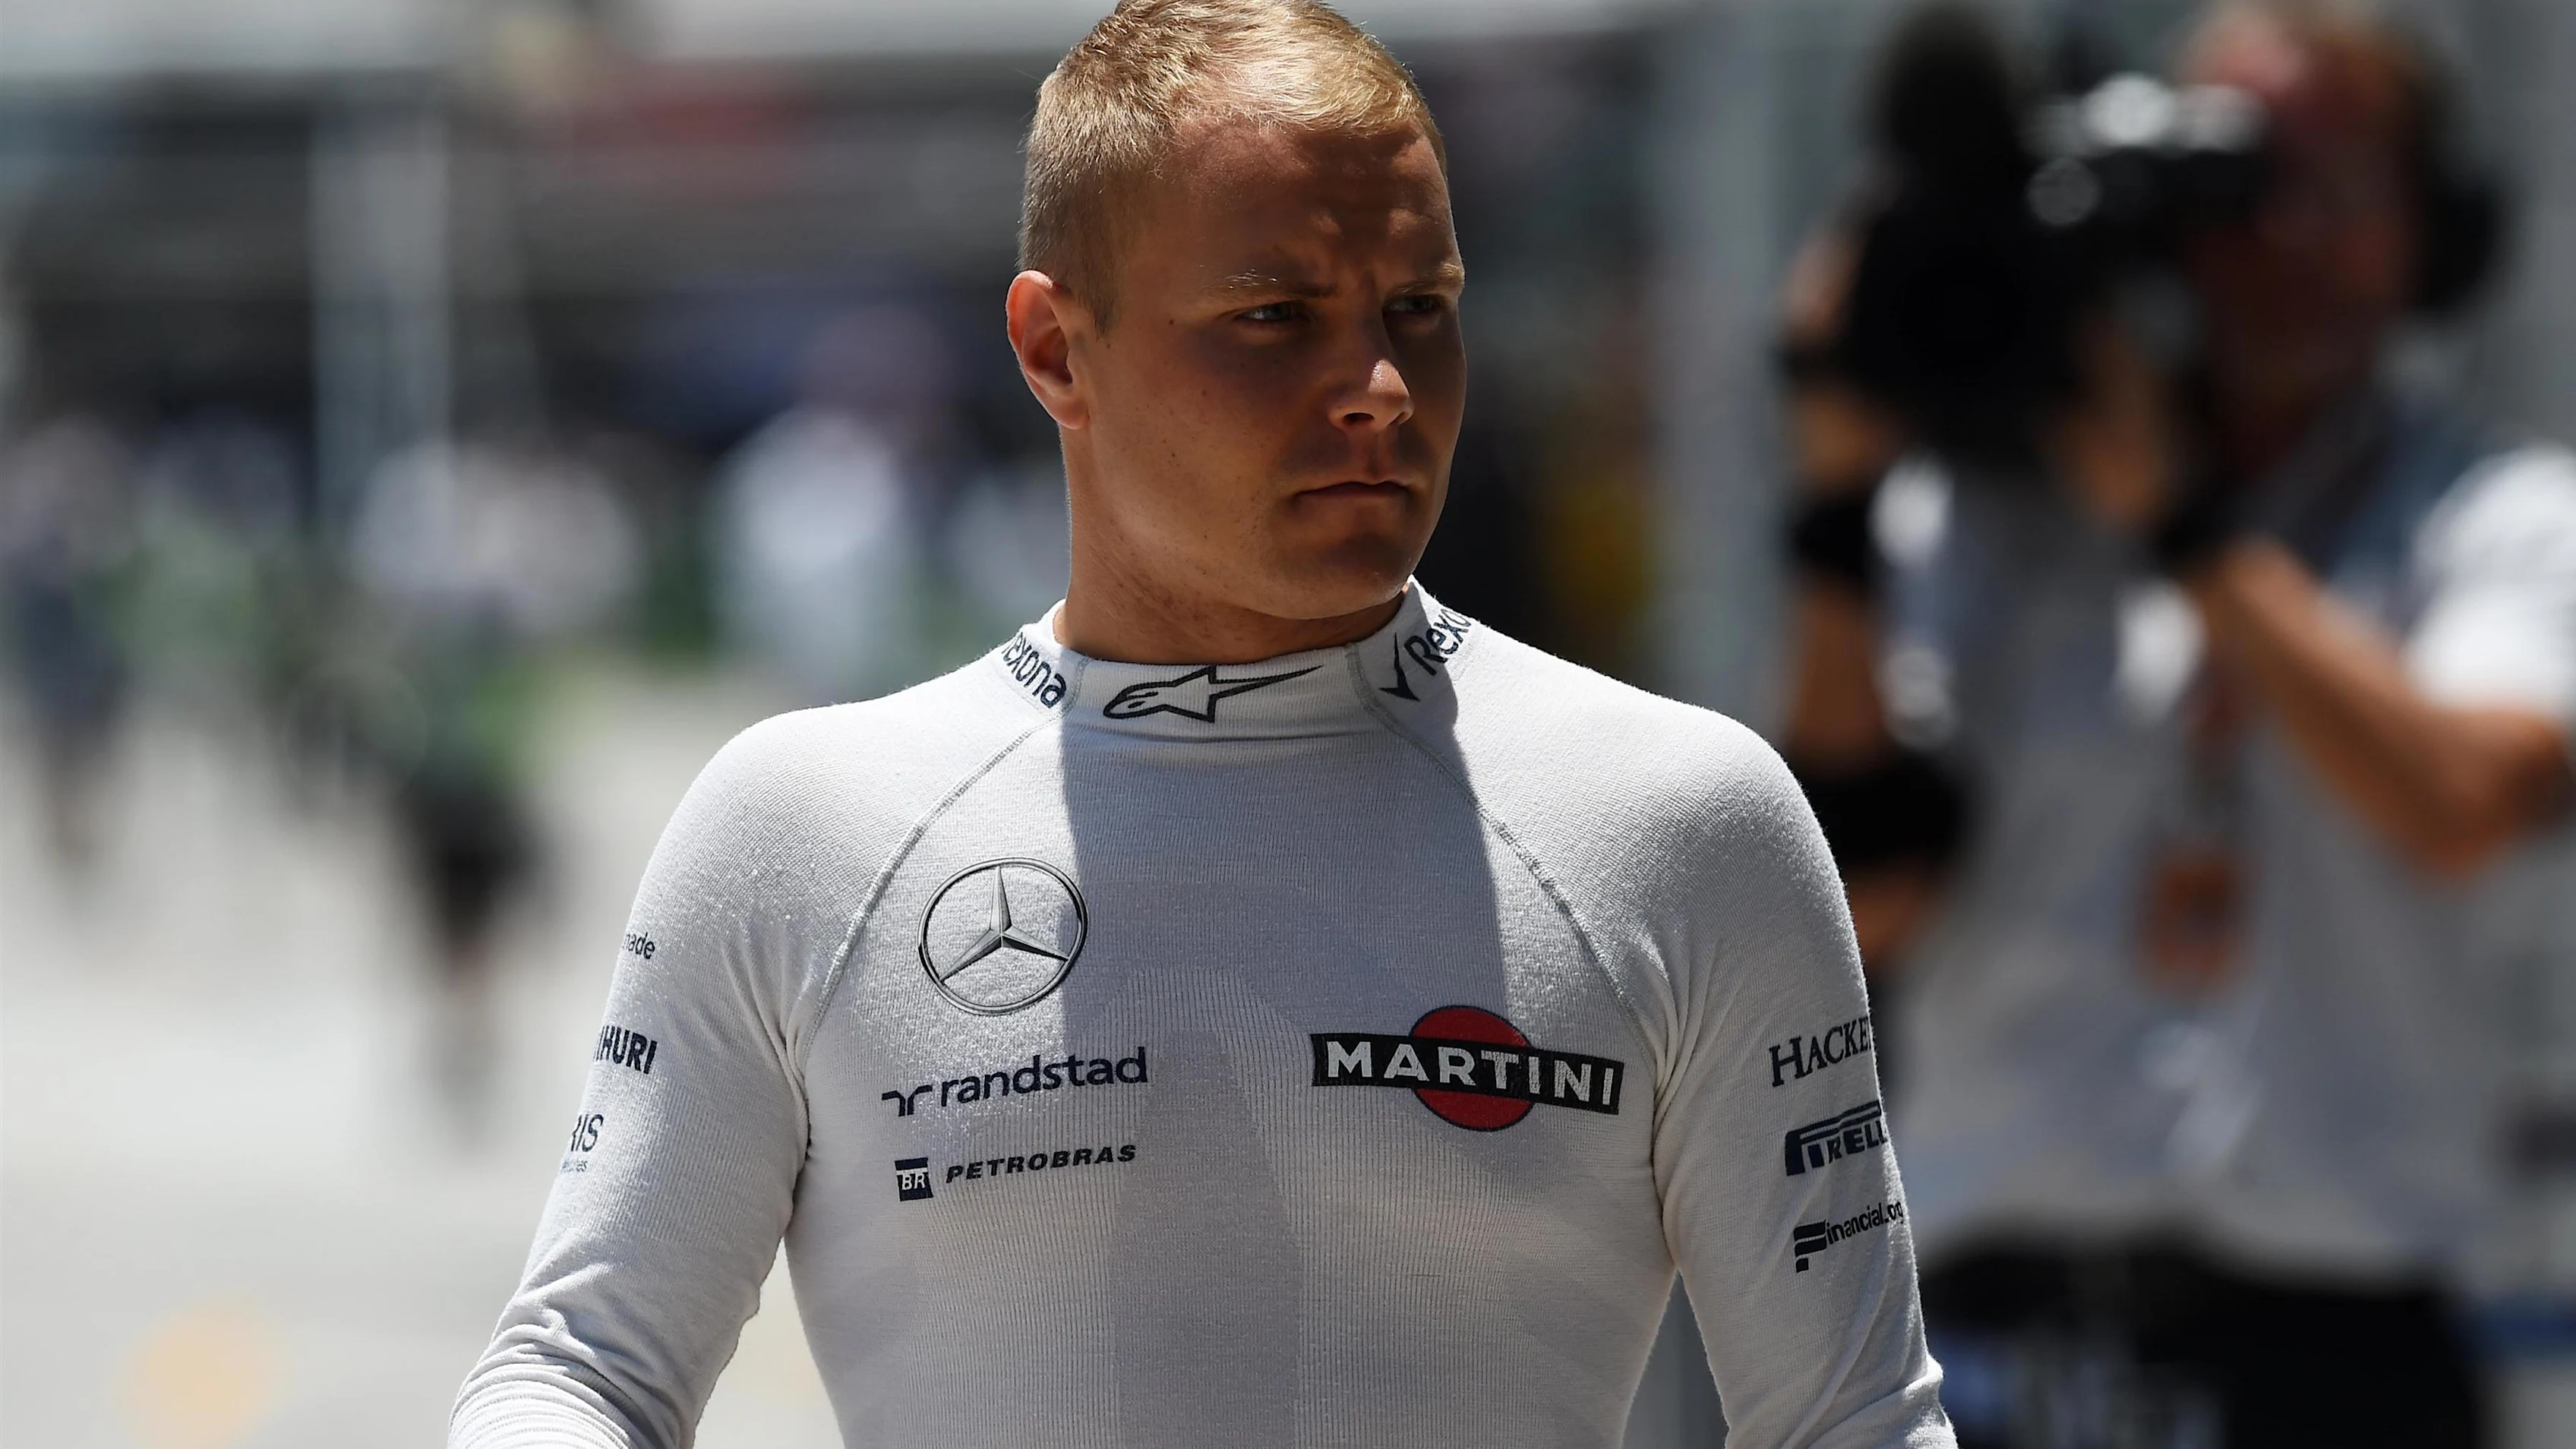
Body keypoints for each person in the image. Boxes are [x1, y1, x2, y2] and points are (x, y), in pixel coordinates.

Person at [451, 2, 1954, 1445]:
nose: (1376, 386)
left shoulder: (1681, 817)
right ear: (1053, 349)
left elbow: (1855, 1417)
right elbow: (581, 1365)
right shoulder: (803, 824)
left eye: (1417, 309)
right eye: (1273, 316)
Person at [1777, 3, 2576, 1446]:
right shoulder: (1990, 508)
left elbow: (2463, 801)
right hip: (1997, 1333)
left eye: (2341, 193)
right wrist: (1837, 508)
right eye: (2242, 187)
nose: (2284, 241)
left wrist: (2184, 532)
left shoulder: (2497, 517)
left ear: (2436, 233)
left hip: (2335, 1353)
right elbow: (1858, 912)